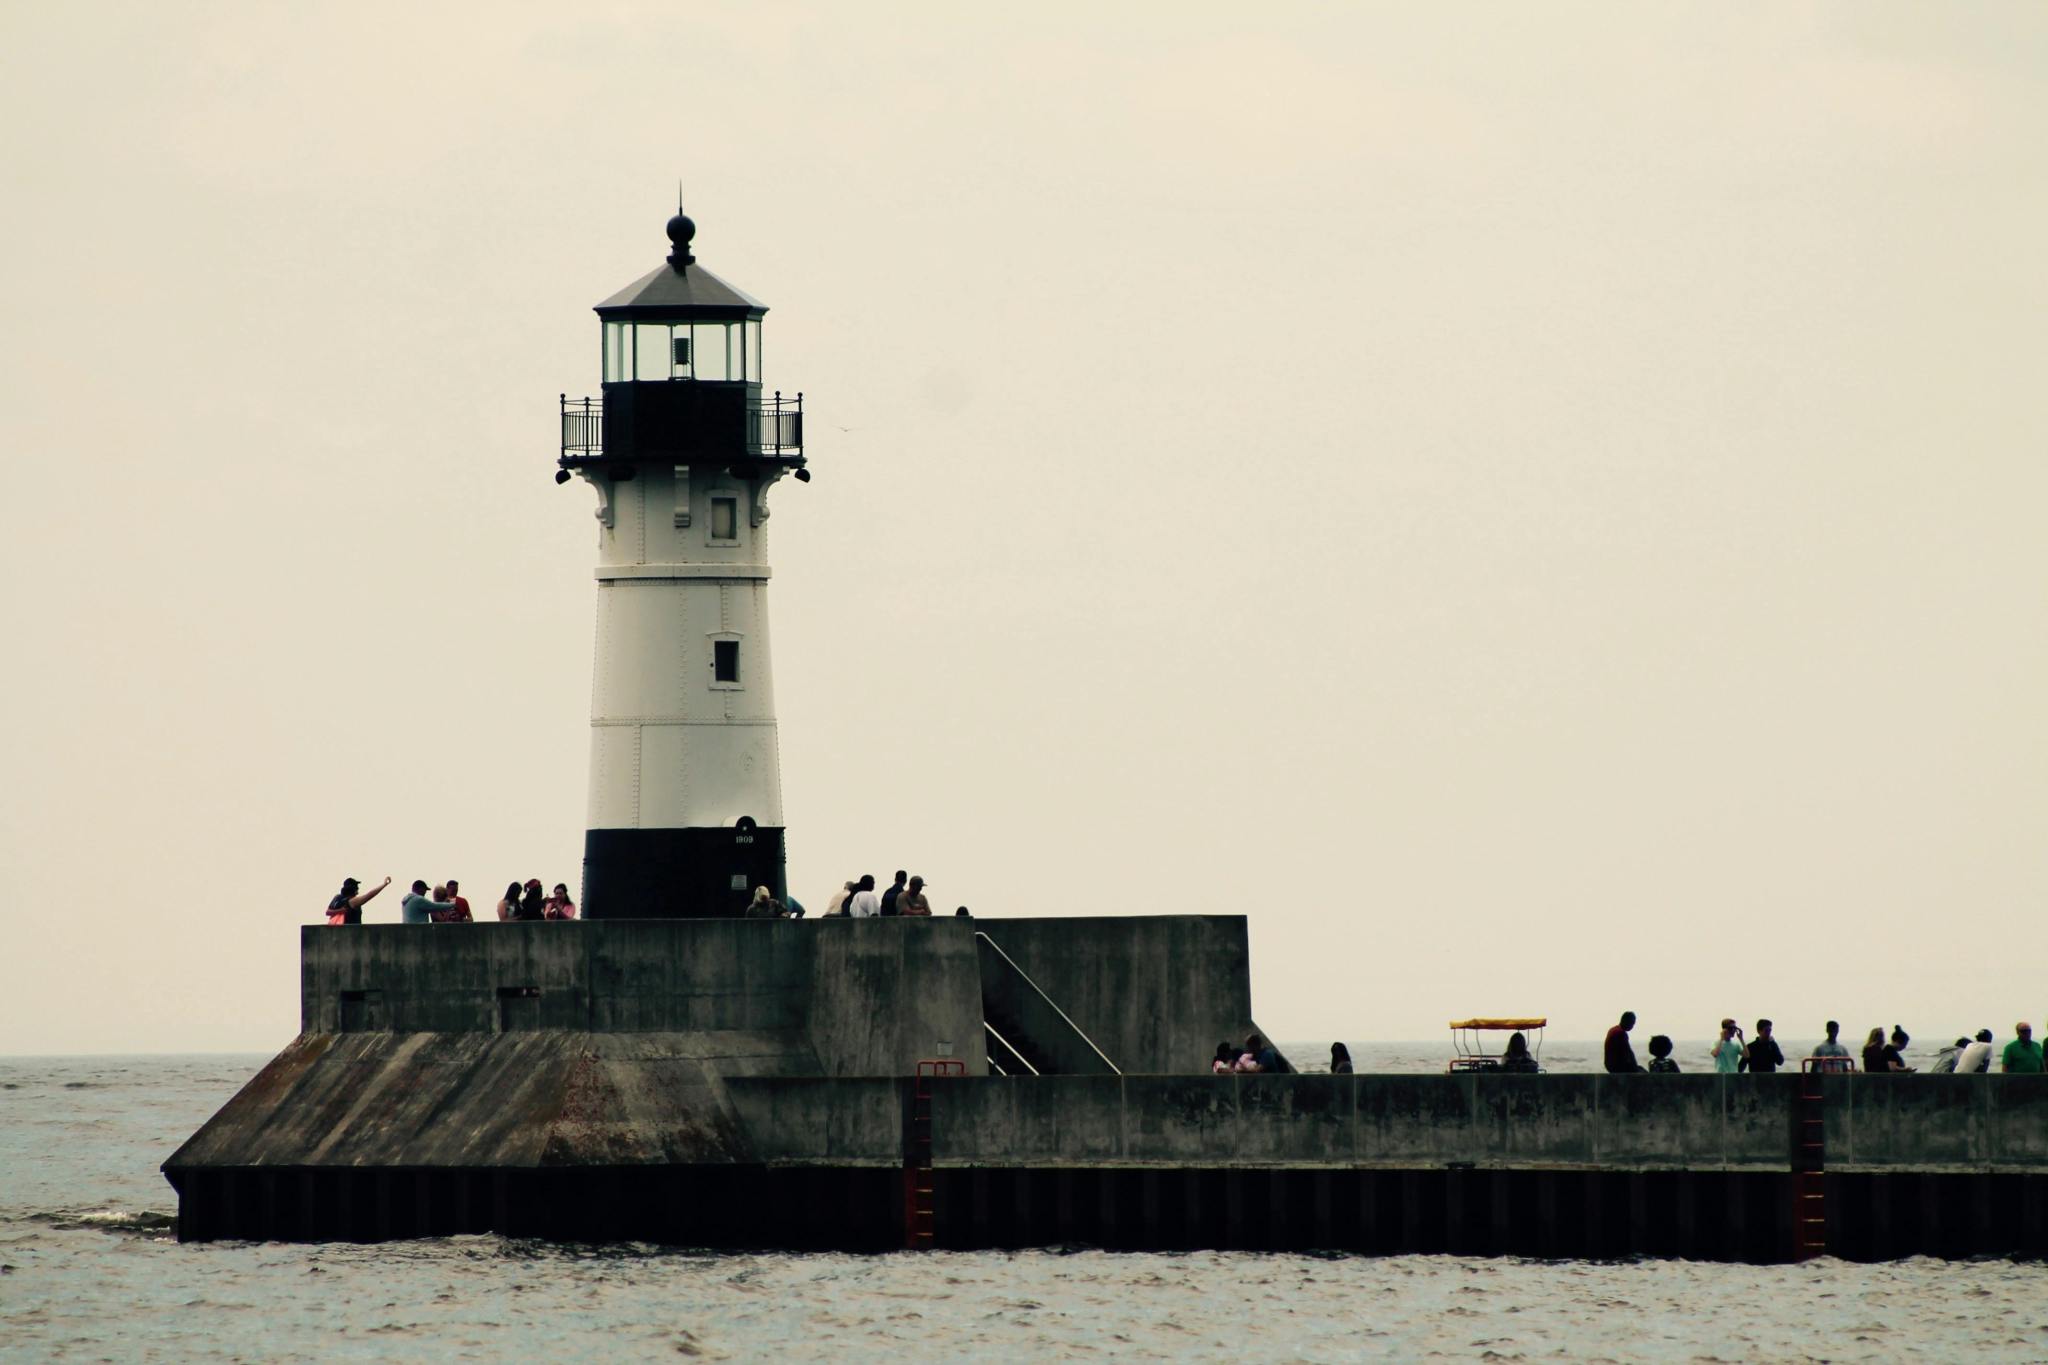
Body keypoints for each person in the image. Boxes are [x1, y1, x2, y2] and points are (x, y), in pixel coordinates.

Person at [325, 876, 390, 925]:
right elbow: (369, 895)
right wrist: (384, 885)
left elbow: (328, 912)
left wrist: (340, 911)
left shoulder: (337, 897)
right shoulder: (352, 902)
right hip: (351, 932)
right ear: (353, 890)